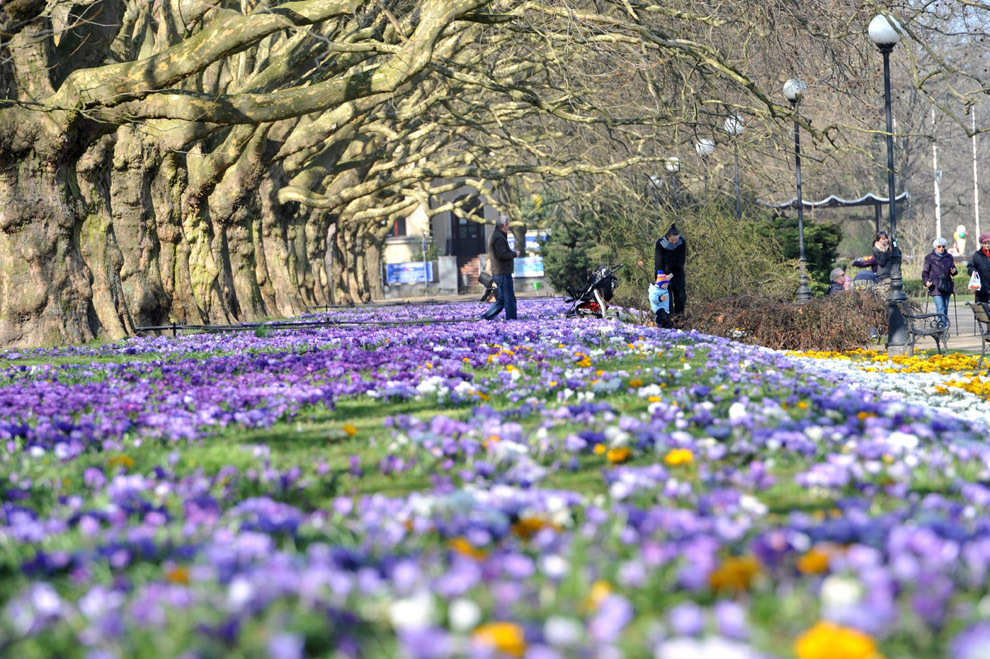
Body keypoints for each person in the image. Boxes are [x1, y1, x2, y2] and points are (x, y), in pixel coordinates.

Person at [480, 215, 519, 320]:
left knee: (501, 300)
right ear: (505, 225)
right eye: (508, 224)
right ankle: (512, 320)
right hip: (502, 273)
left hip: (500, 272)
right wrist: (514, 254)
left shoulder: (497, 235)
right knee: (509, 299)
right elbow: (502, 255)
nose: (509, 227)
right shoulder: (498, 237)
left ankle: (484, 318)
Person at [921, 237, 958, 328]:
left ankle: (941, 326)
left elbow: (953, 270)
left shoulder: (949, 257)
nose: (941, 248)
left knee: (945, 308)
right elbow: (925, 272)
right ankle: (942, 328)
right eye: (939, 246)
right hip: (935, 286)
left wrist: (954, 271)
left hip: (946, 286)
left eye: (943, 246)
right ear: (935, 247)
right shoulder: (929, 258)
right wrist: (926, 282)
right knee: (940, 307)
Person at [654, 224, 686, 314]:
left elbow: (681, 261)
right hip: (663, 275)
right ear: (668, 236)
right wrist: (662, 277)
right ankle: (668, 322)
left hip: (677, 274)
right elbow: (658, 262)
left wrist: (671, 275)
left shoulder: (682, 243)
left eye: (676, 240)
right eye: (672, 240)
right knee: (666, 303)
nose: (674, 242)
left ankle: (680, 322)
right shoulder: (660, 243)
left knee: (680, 300)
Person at [967, 233, 990, 305]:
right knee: (982, 311)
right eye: (985, 243)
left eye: (989, 243)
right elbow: (970, 266)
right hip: (982, 288)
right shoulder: (977, 255)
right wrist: (973, 272)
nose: (987, 245)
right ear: (982, 244)